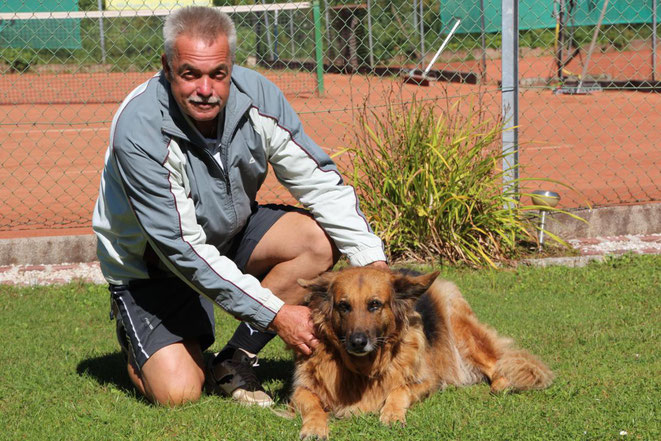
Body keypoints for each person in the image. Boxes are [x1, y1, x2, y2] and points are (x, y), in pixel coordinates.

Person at [92, 6, 387, 407]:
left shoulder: (258, 96)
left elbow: (319, 183)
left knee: (316, 242)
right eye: (190, 74)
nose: (205, 89)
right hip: (154, 266)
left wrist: (374, 264)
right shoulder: (139, 130)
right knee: (177, 393)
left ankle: (234, 358)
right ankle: (141, 337)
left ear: (231, 65)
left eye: (218, 73)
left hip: (227, 234)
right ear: (166, 67)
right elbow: (181, 249)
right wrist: (278, 315)